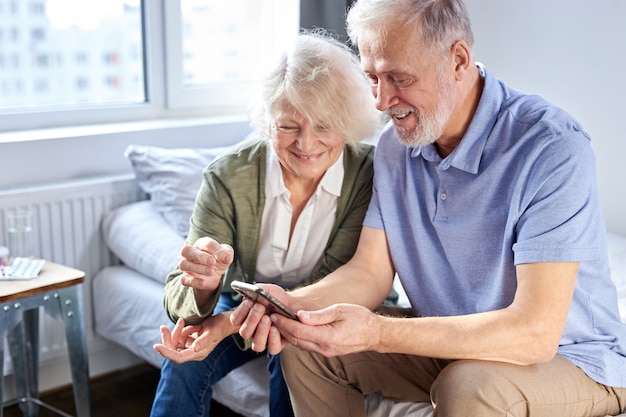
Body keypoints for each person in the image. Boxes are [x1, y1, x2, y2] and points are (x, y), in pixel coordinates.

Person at [231, 1, 626, 416]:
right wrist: (294, 305)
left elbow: (534, 334)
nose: (382, 101)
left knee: (469, 385)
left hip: (570, 360)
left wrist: (378, 333)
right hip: (450, 345)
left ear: (458, 60)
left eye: (399, 78)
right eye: (373, 78)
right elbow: (369, 272)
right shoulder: (394, 148)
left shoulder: (550, 146)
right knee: (307, 350)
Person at [148, 30, 383, 417]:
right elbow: (178, 297)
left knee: (291, 348)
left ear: (348, 122)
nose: (306, 144)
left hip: (324, 304)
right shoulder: (227, 176)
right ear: (268, 119)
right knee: (184, 354)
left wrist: (227, 325)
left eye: (324, 126)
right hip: (241, 300)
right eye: (289, 125)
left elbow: (348, 280)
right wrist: (204, 286)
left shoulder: (368, 175)